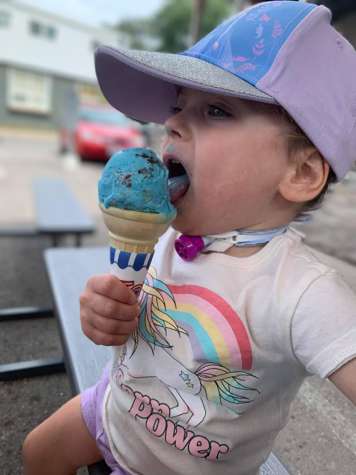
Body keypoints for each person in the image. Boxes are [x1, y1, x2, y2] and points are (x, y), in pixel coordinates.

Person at [23, 2, 356, 474]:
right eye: (178, 106)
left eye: (217, 110)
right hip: (111, 410)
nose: (172, 124)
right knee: (38, 451)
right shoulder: (168, 235)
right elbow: (130, 319)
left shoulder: (300, 291)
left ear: (300, 172)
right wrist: (105, 311)